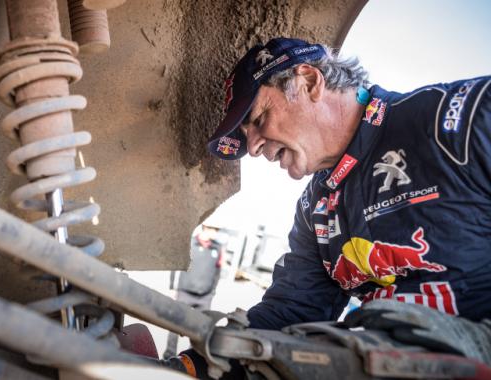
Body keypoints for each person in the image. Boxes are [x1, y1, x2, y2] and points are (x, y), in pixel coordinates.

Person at [205, 37, 491, 330]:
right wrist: (197, 364)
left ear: (309, 81)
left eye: (259, 117)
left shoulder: (457, 118)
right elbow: (290, 311)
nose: (252, 148)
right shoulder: (313, 210)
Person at [163, 225, 224, 358]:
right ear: (205, 227)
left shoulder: (217, 248)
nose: (216, 232)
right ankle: (169, 354)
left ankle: (192, 357)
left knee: (199, 328)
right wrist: (173, 287)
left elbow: (217, 271)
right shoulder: (190, 243)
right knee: (175, 323)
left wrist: (212, 292)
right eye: (214, 229)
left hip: (204, 296)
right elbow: (176, 264)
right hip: (185, 292)